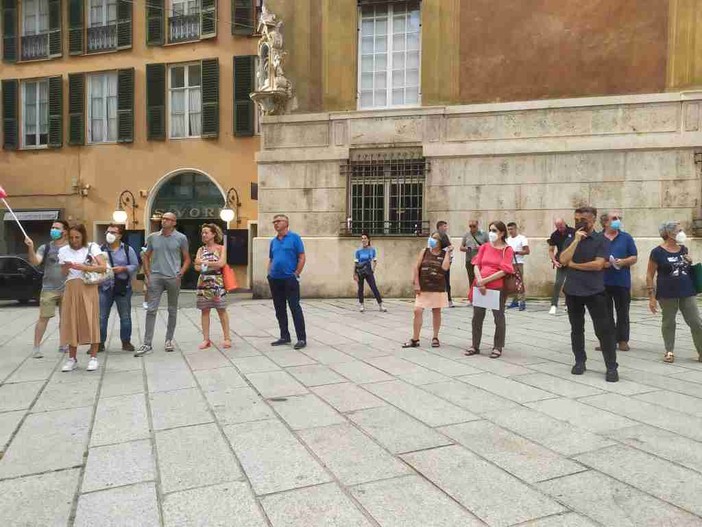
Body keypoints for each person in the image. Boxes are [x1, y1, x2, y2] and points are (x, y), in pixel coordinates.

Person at [559, 206, 618, 382]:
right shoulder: (571, 239)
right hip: (573, 290)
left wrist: (575, 265)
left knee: (603, 330)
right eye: (576, 219)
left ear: (592, 220)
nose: (579, 223)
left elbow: (599, 264)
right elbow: (563, 260)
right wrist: (576, 240)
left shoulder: (601, 240)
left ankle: (611, 366)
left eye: (582, 220)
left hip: (595, 290)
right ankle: (579, 361)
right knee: (576, 329)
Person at [135, 212, 191, 357]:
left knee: (172, 309)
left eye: (168, 219)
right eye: (163, 219)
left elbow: (187, 258)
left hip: (173, 277)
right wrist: (148, 274)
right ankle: (147, 343)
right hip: (156, 276)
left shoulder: (181, 238)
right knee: (151, 309)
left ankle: (168, 340)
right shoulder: (153, 237)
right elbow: (145, 255)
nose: (164, 221)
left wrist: (181, 272)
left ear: (174, 222)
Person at [647, 221, 702, 363]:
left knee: (696, 321)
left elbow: (685, 268)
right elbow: (649, 274)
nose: (682, 232)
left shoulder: (683, 249)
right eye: (679, 230)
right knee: (669, 322)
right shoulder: (657, 252)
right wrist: (651, 297)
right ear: (669, 234)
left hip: (687, 290)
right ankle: (669, 351)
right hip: (667, 292)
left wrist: (689, 261)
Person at [58, 224, 107, 372]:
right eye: (71, 237)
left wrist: (84, 267)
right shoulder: (63, 250)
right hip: (71, 288)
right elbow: (63, 273)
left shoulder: (92, 248)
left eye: (77, 237)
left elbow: (103, 267)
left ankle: (93, 357)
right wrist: (67, 266)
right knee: (71, 321)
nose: (74, 240)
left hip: (88, 287)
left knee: (91, 320)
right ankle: (72, 358)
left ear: (83, 236)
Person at [465, 221, 514, 359]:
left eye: (494, 230)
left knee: (498, 317)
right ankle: (475, 345)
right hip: (480, 286)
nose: (491, 233)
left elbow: (505, 270)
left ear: (502, 233)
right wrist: (479, 281)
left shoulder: (507, 249)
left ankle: (498, 346)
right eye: (490, 230)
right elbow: (476, 264)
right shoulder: (485, 247)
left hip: (496, 287)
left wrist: (485, 281)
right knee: (477, 317)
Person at [24, 220, 69, 358]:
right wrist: (30, 247)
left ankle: (64, 344)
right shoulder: (45, 247)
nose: (53, 230)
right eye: (52, 227)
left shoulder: (71, 248)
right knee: (43, 318)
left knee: (66, 318)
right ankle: (36, 347)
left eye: (57, 228)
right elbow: (35, 261)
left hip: (67, 288)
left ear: (65, 231)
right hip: (49, 288)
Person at [403, 232, 452, 348]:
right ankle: (415, 338)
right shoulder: (424, 251)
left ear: (441, 242)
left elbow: (445, 267)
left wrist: (448, 252)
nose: (432, 240)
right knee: (417, 310)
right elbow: (416, 267)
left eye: (435, 238)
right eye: (431, 237)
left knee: (436, 311)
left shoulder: (445, 254)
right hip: (423, 286)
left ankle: (435, 337)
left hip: (438, 287)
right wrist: (416, 283)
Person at [268, 214, 307, 349]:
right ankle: (284, 336)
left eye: (278, 221)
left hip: (289, 279)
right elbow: (271, 259)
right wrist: (269, 274)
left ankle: (301, 338)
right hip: (275, 279)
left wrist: (296, 273)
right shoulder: (273, 241)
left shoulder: (294, 238)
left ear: (286, 223)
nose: (275, 224)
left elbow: (301, 257)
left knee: (294, 307)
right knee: (279, 309)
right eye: (274, 222)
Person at [600, 212, 638, 352]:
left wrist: (623, 262)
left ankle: (622, 340)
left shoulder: (626, 237)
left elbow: (634, 257)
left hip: (621, 280)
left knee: (623, 311)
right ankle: (607, 341)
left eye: (619, 219)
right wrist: (602, 264)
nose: (618, 221)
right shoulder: (598, 238)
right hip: (602, 281)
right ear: (605, 222)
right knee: (605, 313)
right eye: (614, 218)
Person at [99, 224, 138, 353]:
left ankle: (126, 342)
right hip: (105, 287)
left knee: (125, 316)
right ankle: (99, 343)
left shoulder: (127, 249)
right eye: (108, 231)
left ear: (120, 235)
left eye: (113, 232)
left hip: (123, 287)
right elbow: (94, 265)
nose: (110, 234)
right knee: (102, 317)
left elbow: (135, 265)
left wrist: (124, 268)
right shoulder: (100, 250)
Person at [194, 223, 231, 349]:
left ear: (213, 234)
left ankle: (227, 338)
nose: (204, 235)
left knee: (221, 309)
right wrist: (211, 263)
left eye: (206, 232)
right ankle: (206, 339)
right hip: (203, 283)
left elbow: (221, 263)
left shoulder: (221, 248)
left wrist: (204, 262)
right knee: (205, 310)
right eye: (203, 233)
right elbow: (196, 266)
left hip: (217, 283)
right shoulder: (200, 249)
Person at [547, 218, 575, 315]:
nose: (560, 229)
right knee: (558, 283)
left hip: (572, 260)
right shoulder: (554, 235)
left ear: (564, 223)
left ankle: (569, 304)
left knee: (570, 283)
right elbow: (551, 250)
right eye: (558, 227)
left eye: (561, 226)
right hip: (560, 261)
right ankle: (554, 305)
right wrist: (554, 261)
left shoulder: (573, 231)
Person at [353, 233, 387, 313]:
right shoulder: (358, 251)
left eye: (365, 238)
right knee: (360, 288)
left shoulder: (372, 250)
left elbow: (375, 261)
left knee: (374, 287)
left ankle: (381, 305)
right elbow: (356, 263)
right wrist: (354, 273)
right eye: (362, 238)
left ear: (368, 239)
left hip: (368, 270)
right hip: (360, 270)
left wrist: (373, 270)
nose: (363, 240)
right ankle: (361, 305)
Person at [460, 220, 488, 306]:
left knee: (480, 280)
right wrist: (467, 248)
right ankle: (472, 299)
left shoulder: (484, 234)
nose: (472, 228)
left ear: (477, 225)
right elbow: (461, 247)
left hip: (481, 261)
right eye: (470, 226)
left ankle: (483, 298)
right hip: (469, 260)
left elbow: (489, 246)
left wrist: (481, 247)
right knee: (471, 280)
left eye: (473, 226)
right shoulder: (466, 235)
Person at [506, 222, 529, 311]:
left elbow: (527, 251)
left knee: (519, 283)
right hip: (509, 263)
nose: (510, 231)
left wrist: (516, 252)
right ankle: (515, 301)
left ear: (516, 229)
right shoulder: (507, 240)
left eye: (511, 229)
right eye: (509, 229)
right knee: (512, 283)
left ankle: (522, 302)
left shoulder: (522, 238)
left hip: (518, 262)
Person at [436, 220, 454, 307]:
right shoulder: (434, 236)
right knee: (437, 280)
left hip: (446, 261)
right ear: (440, 227)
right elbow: (432, 249)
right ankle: (438, 299)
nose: (446, 228)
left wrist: (450, 257)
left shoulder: (446, 236)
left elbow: (450, 247)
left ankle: (449, 299)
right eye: (444, 226)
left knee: (447, 281)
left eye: (446, 226)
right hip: (437, 261)